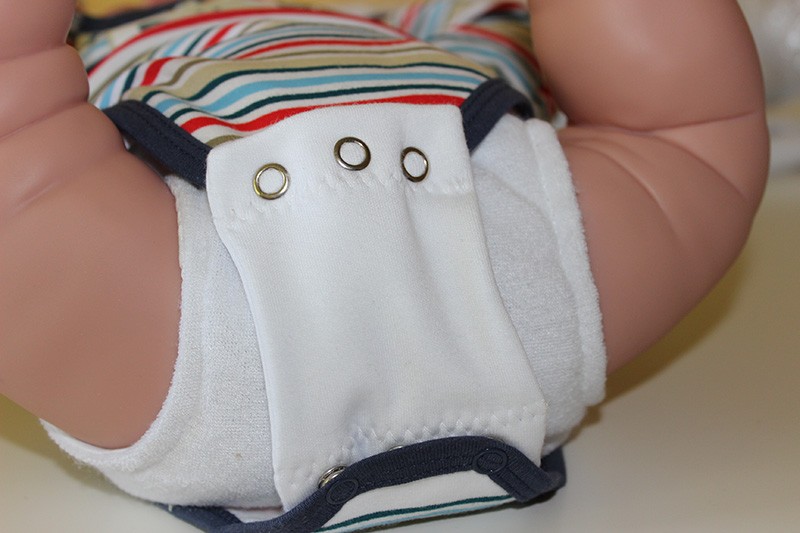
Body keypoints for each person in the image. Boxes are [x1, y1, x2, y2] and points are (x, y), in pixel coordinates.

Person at [0, 0, 769, 531]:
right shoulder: (100, 31)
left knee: (25, 156)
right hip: (520, 252)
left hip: (188, 333)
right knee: (685, 139)